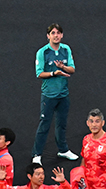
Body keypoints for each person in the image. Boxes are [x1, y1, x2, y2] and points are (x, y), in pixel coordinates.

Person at [31, 24, 78, 163]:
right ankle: (37, 154)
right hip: (49, 95)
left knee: (62, 124)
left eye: (58, 33)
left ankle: (63, 150)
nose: (56, 35)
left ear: (62, 35)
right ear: (48, 36)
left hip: (63, 94)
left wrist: (63, 67)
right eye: (53, 33)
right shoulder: (42, 52)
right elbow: (39, 73)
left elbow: (72, 70)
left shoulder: (66, 49)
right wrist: (54, 73)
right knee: (44, 125)